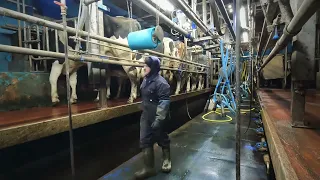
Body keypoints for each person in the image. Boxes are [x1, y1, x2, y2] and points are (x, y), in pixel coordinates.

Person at [134, 56, 171, 179]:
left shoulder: (161, 83)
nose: (144, 67)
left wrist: (159, 119)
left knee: (162, 138)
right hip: (146, 115)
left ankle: (167, 160)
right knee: (145, 140)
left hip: (157, 116)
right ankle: (149, 169)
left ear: (153, 68)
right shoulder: (146, 79)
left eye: (147, 66)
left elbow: (164, 102)